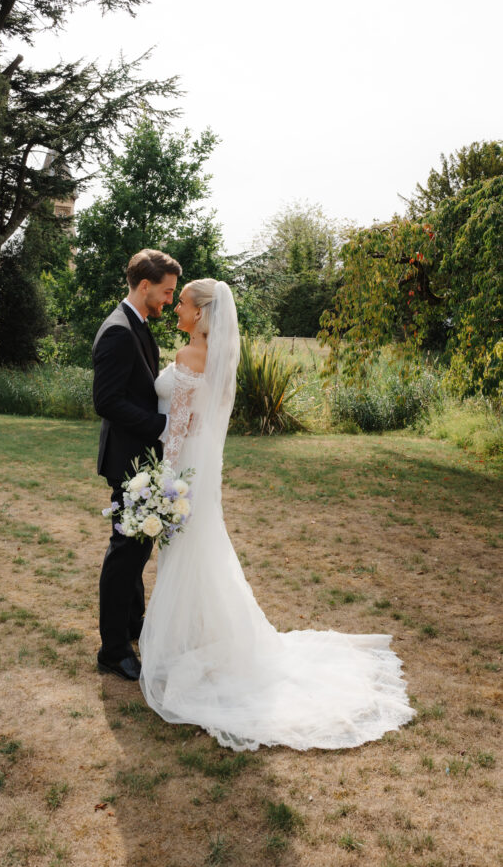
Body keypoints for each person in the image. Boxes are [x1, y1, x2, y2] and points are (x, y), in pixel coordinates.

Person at [139, 278, 416, 751]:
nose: (178, 308)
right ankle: (202, 640)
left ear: (202, 315)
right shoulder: (220, 360)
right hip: (205, 471)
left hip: (185, 469)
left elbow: (180, 429)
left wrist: (160, 484)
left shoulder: (189, 358)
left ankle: (186, 646)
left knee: (188, 554)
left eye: (183, 303)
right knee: (200, 551)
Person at [92, 249, 182, 680]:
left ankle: (133, 627)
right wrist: (161, 426)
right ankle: (112, 650)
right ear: (144, 285)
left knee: (137, 549)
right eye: (166, 292)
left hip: (142, 459)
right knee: (125, 552)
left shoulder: (139, 325)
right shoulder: (118, 332)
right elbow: (106, 401)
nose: (169, 300)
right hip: (128, 460)